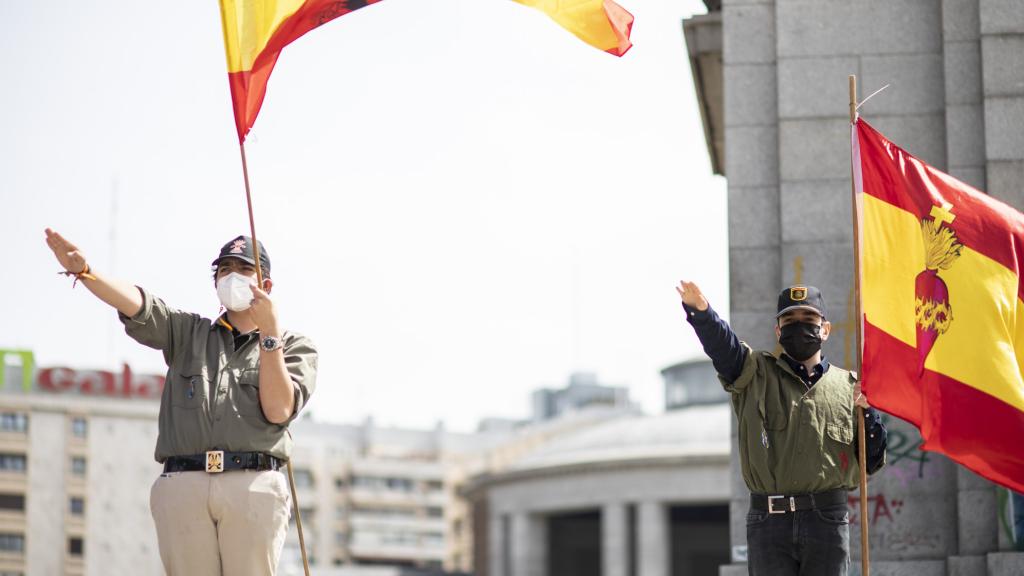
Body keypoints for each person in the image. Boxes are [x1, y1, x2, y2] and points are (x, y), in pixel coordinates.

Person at [45, 228, 317, 576]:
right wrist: (86, 272)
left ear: (266, 286)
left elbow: (278, 409)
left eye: (244, 269)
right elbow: (138, 303)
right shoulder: (189, 333)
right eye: (224, 269)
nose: (232, 276)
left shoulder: (295, 346)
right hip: (184, 482)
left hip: (252, 483)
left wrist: (270, 335)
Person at [676, 281, 886, 576]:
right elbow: (725, 348)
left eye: (809, 320)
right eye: (789, 321)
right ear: (778, 331)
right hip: (769, 523)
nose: (799, 327)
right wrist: (702, 313)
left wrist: (869, 415)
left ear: (825, 329)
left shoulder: (851, 388)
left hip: (826, 520)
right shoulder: (755, 373)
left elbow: (872, 461)